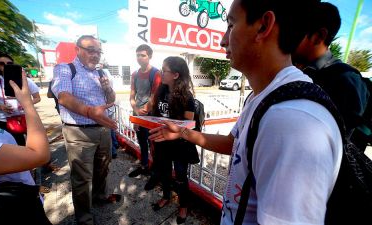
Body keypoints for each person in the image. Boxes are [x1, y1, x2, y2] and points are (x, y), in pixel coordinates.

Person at [149, 0, 343, 224]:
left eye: (231, 25)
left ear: (263, 26)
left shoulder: (292, 120)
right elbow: (234, 143)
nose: (223, 40)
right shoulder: (263, 96)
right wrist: (182, 132)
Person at [51, 35, 119, 225]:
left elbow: (111, 99)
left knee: (103, 168)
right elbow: (63, 97)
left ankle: (99, 196)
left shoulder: (102, 72)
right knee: (81, 178)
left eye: (98, 51)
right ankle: (84, 217)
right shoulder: (65, 69)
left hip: (103, 130)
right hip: (78, 132)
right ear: (77, 49)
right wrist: (90, 112)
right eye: (91, 50)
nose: (95, 55)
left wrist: (107, 89)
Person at [0, 73, 51, 224]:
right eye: (1, 64)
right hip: (4, 207)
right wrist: (27, 103)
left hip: (14, 196)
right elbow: (38, 154)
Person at [292, 2, 370, 150]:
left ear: (318, 36)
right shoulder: (297, 71)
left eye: (296, 32)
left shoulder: (346, 80)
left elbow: (338, 145)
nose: (287, 39)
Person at [150, 56, 199, 224]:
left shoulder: (187, 97)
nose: (161, 73)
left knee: (180, 176)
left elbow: (189, 125)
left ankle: (183, 206)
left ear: (176, 75)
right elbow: (156, 115)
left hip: (179, 146)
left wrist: (176, 132)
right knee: (164, 172)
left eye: (164, 70)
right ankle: (166, 196)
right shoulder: (161, 91)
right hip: (162, 143)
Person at [0, 54, 41, 146]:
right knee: (16, 146)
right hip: (4, 120)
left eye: (9, 63)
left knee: (36, 143)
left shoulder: (26, 80)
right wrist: (0, 106)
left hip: (27, 117)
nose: (6, 65)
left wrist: (26, 104)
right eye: (1, 63)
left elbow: (37, 98)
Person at [128, 44, 162, 190]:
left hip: (151, 117)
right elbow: (132, 95)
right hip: (139, 115)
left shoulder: (156, 73)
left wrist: (144, 111)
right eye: (138, 55)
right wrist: (136, 112)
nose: (139, 58)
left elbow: (154, 97)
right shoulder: (134, 74)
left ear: (149, 56)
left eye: (143, 55)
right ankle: (143, 166)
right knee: (141, 142)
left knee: (153, 146)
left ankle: (155, 175)